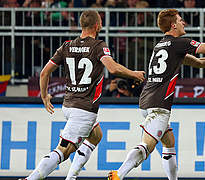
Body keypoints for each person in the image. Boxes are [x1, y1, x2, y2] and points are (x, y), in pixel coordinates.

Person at [107, 9, 205, 180]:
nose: (184, 22)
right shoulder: (180, 43)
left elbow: (199, 63)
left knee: (169, 143)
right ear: (173, 25)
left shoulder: (161, 46)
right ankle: (119, 173)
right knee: (146, 146)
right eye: (180, 20)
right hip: (159, 105)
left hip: (146, 101)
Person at [19, 10, 145, 180]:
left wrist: (44, 95)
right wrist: (134, 74)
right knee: (63, 151)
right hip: (84, 110)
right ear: (97, 25)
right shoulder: (98, 46)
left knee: (96, 135)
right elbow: (113, 68)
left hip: (69, 105)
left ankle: (71, 177)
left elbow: (44, 73)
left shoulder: (66, 46)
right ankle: (31, 179)